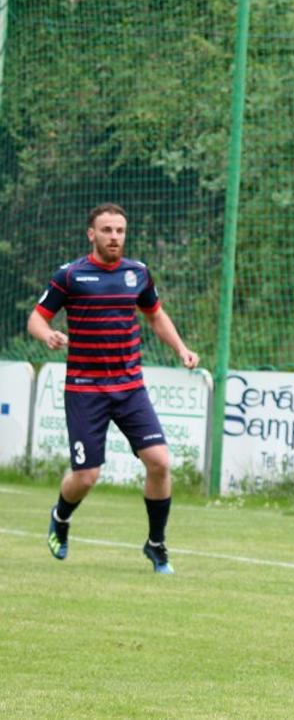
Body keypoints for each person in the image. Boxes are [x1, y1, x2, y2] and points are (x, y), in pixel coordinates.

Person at [29, 203, 200, 574]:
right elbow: (36, 319)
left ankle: (156, 545)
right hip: (85, 389)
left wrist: (181, 348)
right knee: (88, 475)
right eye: (106, 230)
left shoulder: (137, 273)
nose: (114, 237)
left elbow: (155, 315)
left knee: (160, 462)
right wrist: (48, 335)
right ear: (92, 233)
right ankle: (60, 516)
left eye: (120, 231)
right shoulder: (70, 275)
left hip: (129, 387)